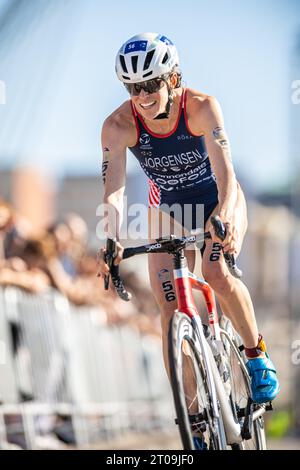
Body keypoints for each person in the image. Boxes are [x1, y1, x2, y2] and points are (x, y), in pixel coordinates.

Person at [97, 32, 280, 442]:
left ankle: (255, 353)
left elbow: (226, 174)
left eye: (149, 85)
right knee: (169, 310)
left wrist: (225, 216)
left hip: (217, 198)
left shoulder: (200, 107)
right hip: (169, 211)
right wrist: (110, 238)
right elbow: (113, 188)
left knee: (215, 273)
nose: (141, 96)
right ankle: (195, 418)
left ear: (172, 78)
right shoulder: (118, 125)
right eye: (132, 87)